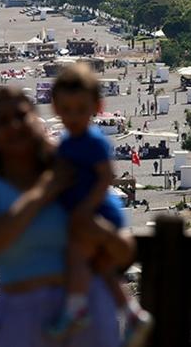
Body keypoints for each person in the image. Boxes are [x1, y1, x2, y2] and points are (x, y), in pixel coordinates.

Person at [0, 87, 134, 347]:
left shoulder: (72, 171)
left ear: (36, 119)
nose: (15, 125)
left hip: (89, 310)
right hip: (23, 315)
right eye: (3, 121)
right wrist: (44, 191)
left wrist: (98, 231)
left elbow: (125, 251)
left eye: (21, 115)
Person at [48, 65, 152, 343]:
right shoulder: (68, 140)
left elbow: (106, 177)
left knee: (76, 253)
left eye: (80, 110)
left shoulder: (92, 141)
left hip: (98, 212)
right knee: (102, 268)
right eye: (67, 110)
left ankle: (75, 308)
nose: (73, 117)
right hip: (90, 210)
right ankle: (132, 313)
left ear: (97, 106)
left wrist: (82, 210)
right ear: (56, 108)